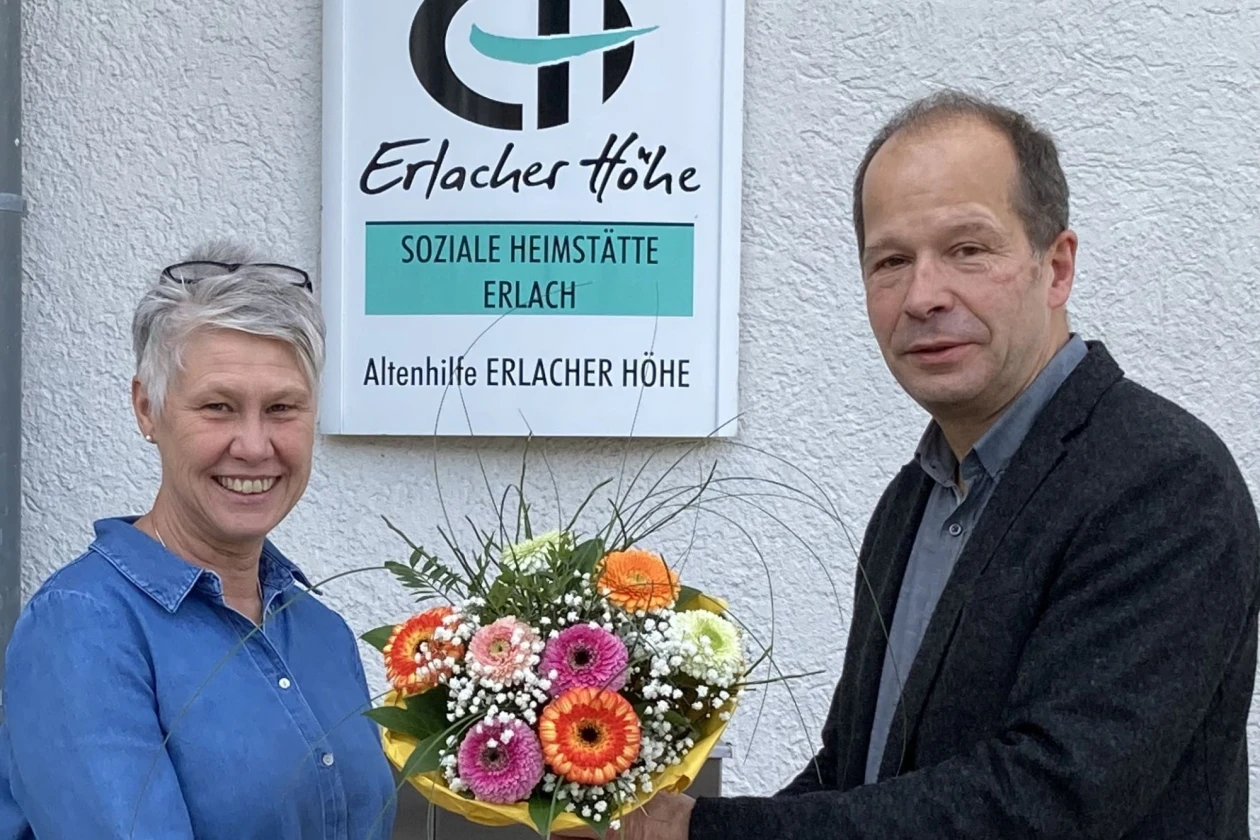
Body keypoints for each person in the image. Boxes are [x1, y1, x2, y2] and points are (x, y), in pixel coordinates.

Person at [566, 91, 1260, 838]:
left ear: (1056, 268)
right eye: (891, 261)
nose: (923, 296)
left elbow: (1046, 803)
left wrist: (703, 832)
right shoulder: (915, 497)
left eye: (967, 249)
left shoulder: (1161, 481)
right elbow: (853, 775)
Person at [0, 243, 398, 838]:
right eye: (218, 407)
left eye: (283, 407)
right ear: (147, 409)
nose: (255, 446)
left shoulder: (321, 631)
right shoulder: (83, 627)